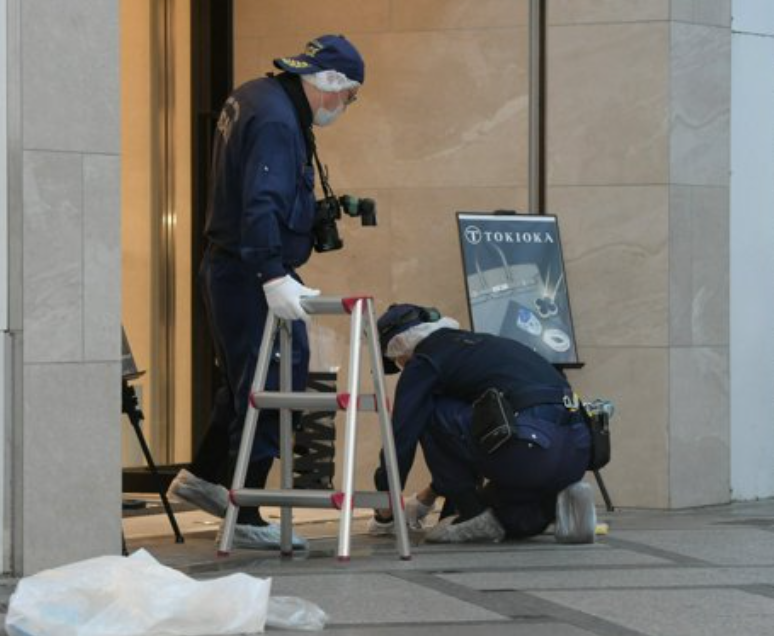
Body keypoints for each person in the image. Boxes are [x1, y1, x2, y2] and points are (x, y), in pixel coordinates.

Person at [167, 35, 365, 550]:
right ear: (330, 84)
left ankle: (209, 479)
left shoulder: (256, 95)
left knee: (246, 382)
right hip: (249, 271)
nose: (346, 107)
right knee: (273, 383)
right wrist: (273, 276)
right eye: (349, 97)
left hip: (236, 267)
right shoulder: (278, 120)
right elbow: (261, 202)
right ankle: (246, 508)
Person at [369, 303, 597, 544]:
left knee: (427, 409)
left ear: (399, 348)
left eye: (397, 362)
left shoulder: (424, 361)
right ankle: (558, 502)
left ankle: (471, 514)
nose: (401, 367)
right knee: (506, 519)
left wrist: (386, 501)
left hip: (530, 448)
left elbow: (401, 436)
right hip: (577, 450)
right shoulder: (483, 346)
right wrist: (430, 495)